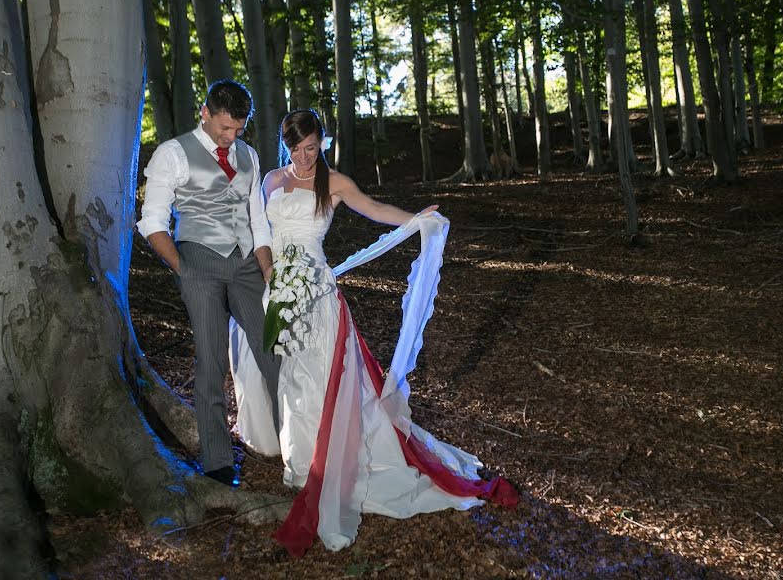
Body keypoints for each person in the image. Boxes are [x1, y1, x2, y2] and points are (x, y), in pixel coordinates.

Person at [230, 109, 517, 557]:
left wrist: (415, 218)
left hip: (317, 292)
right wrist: (270, 276)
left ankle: (325, 465)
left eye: (313, 148)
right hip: (279, 290)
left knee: (321, 377)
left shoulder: (335, 182)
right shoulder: (269, 180)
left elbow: (374, 209)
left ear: (322, 143)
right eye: (297, 149)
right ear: (286, 146)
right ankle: (300, 460)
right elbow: (260, 232)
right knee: (289, 379)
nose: (305, 158)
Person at [136, 80, 282, 486]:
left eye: (238, 129)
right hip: (198, 259)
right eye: (225, 128)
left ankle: (296, 446)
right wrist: (184, 268)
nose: (231, 136)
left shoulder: (248, 155)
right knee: (212, 360)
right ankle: (218, 462)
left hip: (247, 263)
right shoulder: (173, 153)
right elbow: (152, 221)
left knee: (274, 349)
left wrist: (268, 272)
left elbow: (257, 219)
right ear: (205, 112)